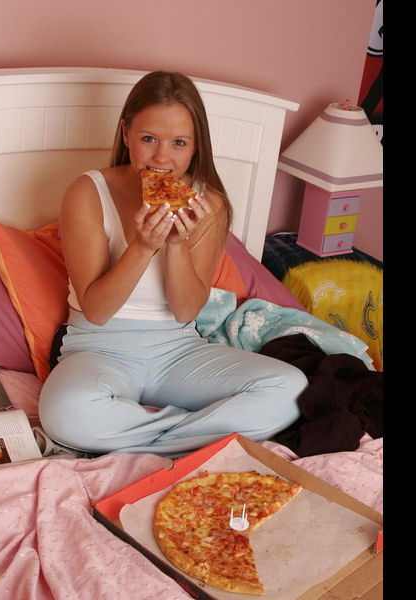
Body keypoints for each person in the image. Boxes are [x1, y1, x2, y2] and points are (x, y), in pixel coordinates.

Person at [39, 71, 307, 456]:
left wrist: (177, 245)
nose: (162, 158)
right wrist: (143, 247)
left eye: (179, 143)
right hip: (97, 348)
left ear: (196, 147)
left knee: (291, 388)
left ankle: (142, 436)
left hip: (178, 351)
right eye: (149, 139)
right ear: (126, 133)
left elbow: (186, 311)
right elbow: (96, 311)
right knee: (66, 413)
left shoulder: (209, 204)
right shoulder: (87, 191)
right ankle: (197, 434)